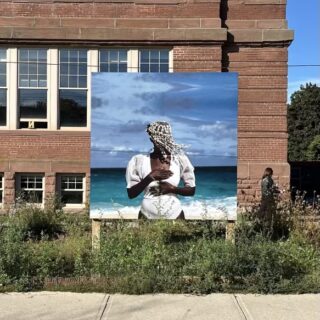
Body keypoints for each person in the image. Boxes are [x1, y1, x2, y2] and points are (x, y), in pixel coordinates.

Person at [125, 121, 196, 219]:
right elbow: (131, 194)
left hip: (176, 215)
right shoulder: (139, 161)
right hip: (146, 217)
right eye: (157, 138)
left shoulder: (179, 160)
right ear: (151, 139)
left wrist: (172, 189)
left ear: (169, 137)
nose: (160, 141)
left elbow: (191, 190)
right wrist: (150, 177)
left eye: (164, 138)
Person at [259, 167, 280, 235]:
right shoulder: (265, 180)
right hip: (266, 200)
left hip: (269, 200)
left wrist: (279, 191)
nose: (272, 175)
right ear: (269, 173)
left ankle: (268, 233)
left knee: (270, 217)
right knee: (265, 216)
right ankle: (264, 233)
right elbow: (266, 192)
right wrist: (273, 188)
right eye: (272, 173)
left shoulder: (270, 180)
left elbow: (272, 189)